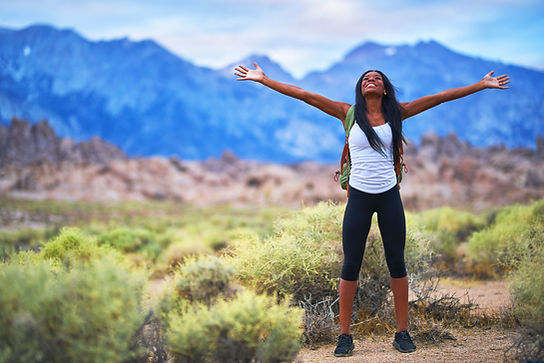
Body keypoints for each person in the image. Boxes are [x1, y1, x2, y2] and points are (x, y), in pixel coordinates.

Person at [234, 63, 509, 356]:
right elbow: (304, 95)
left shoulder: (397, 114)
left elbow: (440, 97)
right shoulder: (347, 113)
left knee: (397, 263)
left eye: (377, 78)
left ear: (385, 88)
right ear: (360, 88)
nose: (371, 80)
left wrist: (480, 85)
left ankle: (402, 332)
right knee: (351, 265)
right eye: (366, 78)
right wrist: (264, 80)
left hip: (389, 197)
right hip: (359, 199)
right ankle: (344, 336)